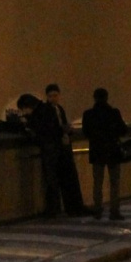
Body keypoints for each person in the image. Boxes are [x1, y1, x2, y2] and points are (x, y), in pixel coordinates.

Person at [82, 87, 128, 220]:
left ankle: (97, 210)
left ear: (94, 98)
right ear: (107, 98)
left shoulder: (88, 114)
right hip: (113, 151)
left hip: (97, 151)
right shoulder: (114, 113)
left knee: (97, 182)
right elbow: (123, 130)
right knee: (114, 182)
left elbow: (86, 132)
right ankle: (114, 211)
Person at [17, 92, 64, 217]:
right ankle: (55, 208)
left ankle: (52, 209)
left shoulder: (40, 113)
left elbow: (39, 130)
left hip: (48, 148)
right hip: (55, 146)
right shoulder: (48, 109)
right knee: (52, 178)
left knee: (50, 178)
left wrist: (26, 123)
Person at [45, 83, 86, 216]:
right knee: (61, 179)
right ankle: (68, 208)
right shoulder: (49, 110)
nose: (53, 98)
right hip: (57, 148)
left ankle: (67, 208)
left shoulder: (59, 109)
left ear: (59, 95)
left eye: (55, 95)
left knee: (63, 179)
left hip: (60, 147)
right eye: (50, 96)